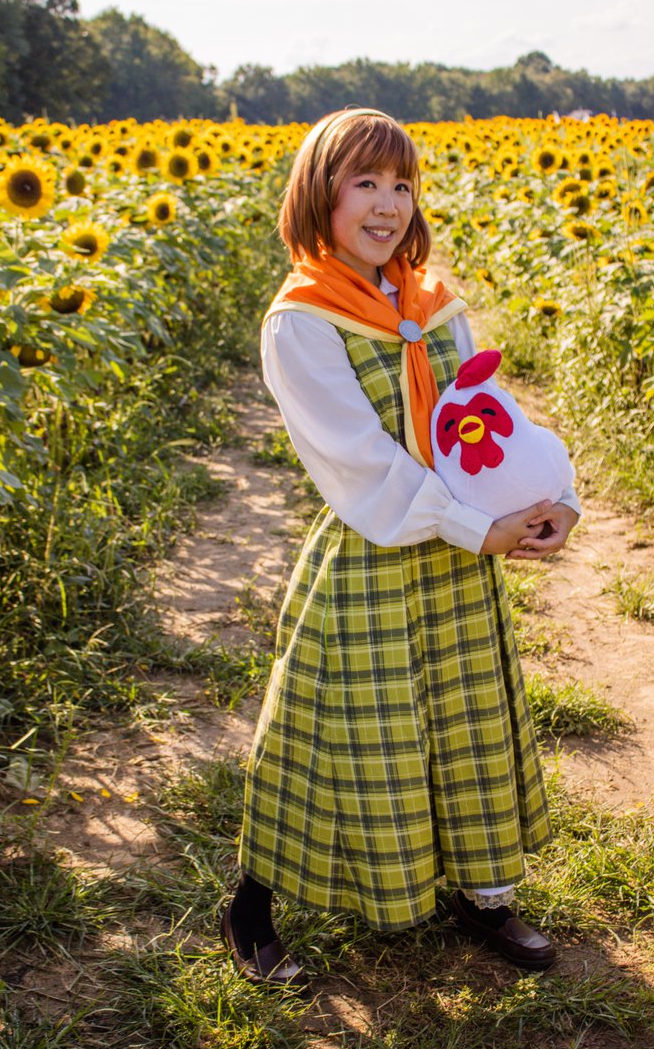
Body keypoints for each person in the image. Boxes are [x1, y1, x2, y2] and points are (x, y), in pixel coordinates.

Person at [221, 107, 580, 987]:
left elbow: (487, 423)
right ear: (321, 194)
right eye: (365, 184)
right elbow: (358, 463)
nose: (387, 205)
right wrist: (476, 527)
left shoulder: (430, 299)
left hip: (461, 561)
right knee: (331, 733)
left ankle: (479, 894)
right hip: (376, 554)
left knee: (465, 724)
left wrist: (552, 499)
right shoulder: (302, 322)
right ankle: (250, 905)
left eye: (402, 184)